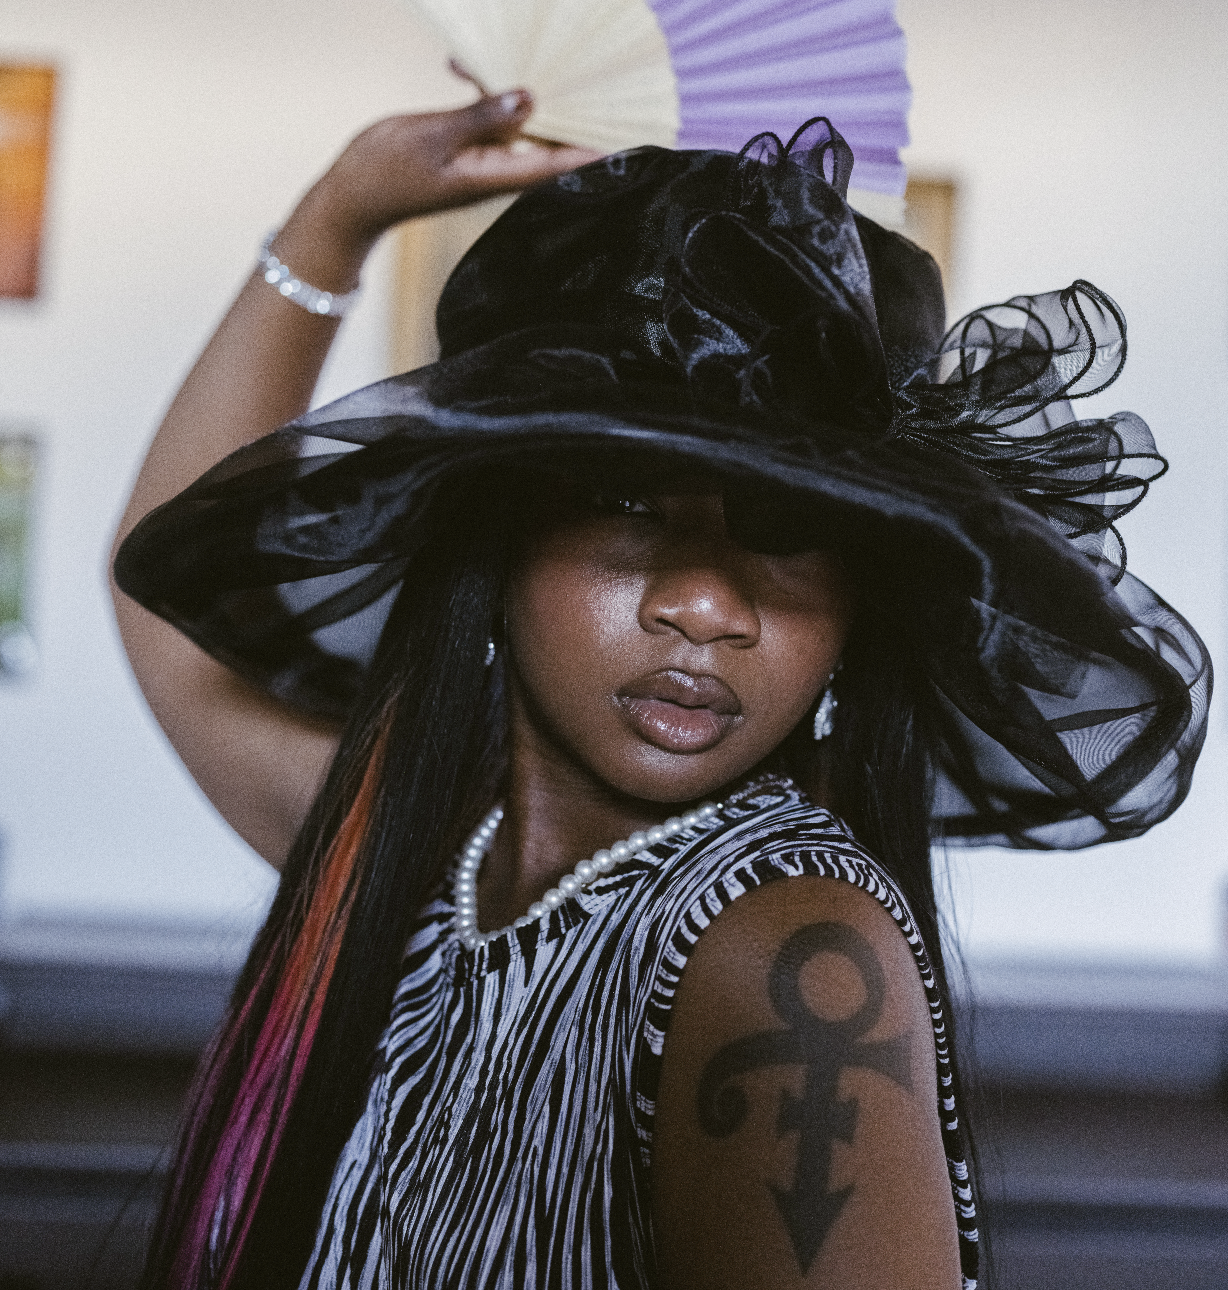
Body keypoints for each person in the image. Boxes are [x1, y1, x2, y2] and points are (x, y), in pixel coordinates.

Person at [111, 92, 1208, 1290]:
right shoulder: (428, 852)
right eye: (626, 499)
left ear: (857, 599)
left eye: (786, 525)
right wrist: (335, 218)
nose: (707, 602)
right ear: (500, 532)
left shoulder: (783, 957)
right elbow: (171, 630)